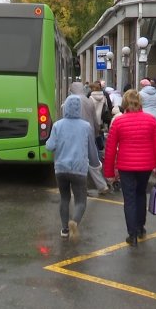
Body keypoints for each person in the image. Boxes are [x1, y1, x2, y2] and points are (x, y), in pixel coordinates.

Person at [103, 89, 156, 247]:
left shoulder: (118, 122)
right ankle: (140, 227)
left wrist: (109, 173)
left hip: (125, 166)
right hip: (145, 166)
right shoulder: (151, 121)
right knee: (140, 194)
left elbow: (110, 149)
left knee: (129, 199)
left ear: (124, 103)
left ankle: (132, 235)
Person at [45, 95, 101, 241]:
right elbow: (91, 150)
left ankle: (64, 229)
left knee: (64, 198)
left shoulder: (57, 125)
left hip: (61, 169)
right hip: (79, 170)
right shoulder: (86, 126)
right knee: (81, 200)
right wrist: (96, 164)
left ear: (65, 108)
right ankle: (74, 222)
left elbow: (50, 146)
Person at [69, 82, 110, 194]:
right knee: (92, 160)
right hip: (89, 132)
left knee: (78, 161)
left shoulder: (71, 100)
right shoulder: (88, 101)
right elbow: (95, 119)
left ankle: (81, 187)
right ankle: (102, 186)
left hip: (76, 134)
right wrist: (96, 132)